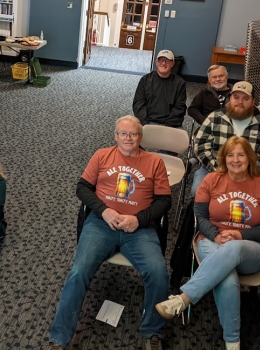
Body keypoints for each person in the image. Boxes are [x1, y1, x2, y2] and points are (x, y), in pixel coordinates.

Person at [48, 115, 171, 350]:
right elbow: (82, 188)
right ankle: (59, 339)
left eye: (133, 134)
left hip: (139, 228)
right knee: (78, 271)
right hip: (101, 224)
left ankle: (153, 331)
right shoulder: (102, 155)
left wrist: (139, 219)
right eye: (123, 133)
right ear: (115, 136)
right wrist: (103, 211)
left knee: (158, 273)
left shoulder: (154, 162)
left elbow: (164, 201)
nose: (127, 138)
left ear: (140, 137)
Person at [156, 137, 260, 350]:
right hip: (211, 241)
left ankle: (183, 299)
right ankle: (233, 343)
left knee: (233, 247)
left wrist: (240, 236)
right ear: (224, 158)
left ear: (249, 158)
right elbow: (199, 216)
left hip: (251, 249)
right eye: (230, 155)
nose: (235, 160)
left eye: (240, 154)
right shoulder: (211, 180)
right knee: (227, 279)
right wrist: (215, 234)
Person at [191, 81, 260, 197]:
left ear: (253, 102)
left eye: (246, 98)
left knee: (257, 198)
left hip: (248, 175)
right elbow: (200, 146)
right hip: (213, 169)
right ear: (230, 98)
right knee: (198, 192)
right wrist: (218, 170)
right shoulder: (214, 118)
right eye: (236, 97)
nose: (240, 102)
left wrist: (246, 175)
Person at [133, 49, 187, 128]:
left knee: (181, 139)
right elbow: (138, 103)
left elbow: (179, 108)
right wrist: (145, 124)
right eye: (161, 60)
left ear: (173, 63)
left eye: (167, 61)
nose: (163, 63)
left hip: (170, 124)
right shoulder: (145, 80)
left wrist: (167, 126)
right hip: (147, 121)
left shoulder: (180, 83)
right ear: (156, 62)